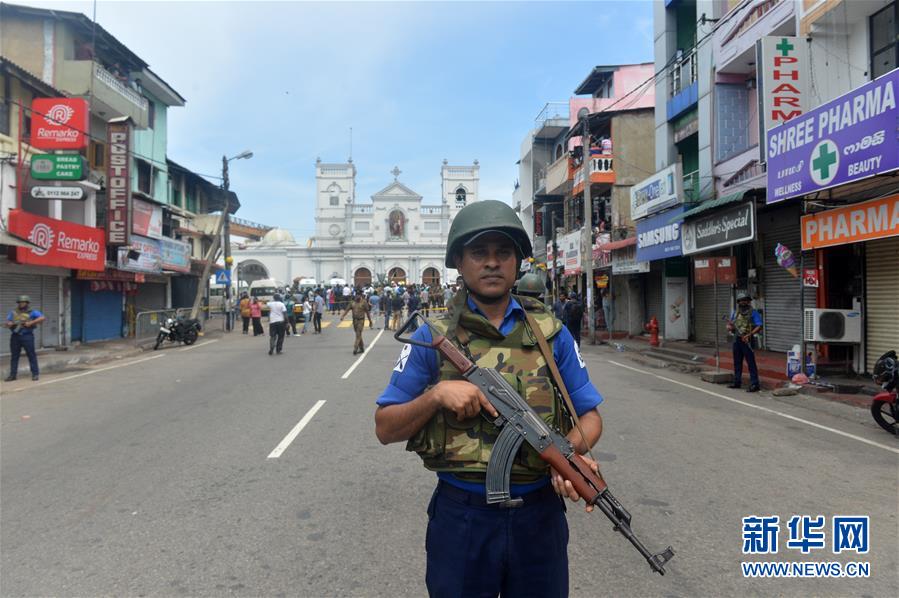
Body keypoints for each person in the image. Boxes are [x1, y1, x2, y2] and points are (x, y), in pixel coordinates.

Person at [375, 200, 604, 597]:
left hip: (539, 517)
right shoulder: (433, 335)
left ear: (517, 262)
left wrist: (566, 454)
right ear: (459, 263)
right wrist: (436, 396)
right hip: (461, 518)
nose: (492, 263)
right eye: (479, 253)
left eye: (503, 252)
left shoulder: (551, 333)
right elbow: (385, 427)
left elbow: (591, 417)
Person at [727, 292, 763, 392]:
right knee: (737, 362)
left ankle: (755, 384)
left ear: (748, 301)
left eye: (745, 300)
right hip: (737, 339)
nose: (744, 302)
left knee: (751, 362)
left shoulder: (753, 312)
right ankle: (737, 381)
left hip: (748, 340)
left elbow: (759, 325)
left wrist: (749, 335)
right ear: (738, 302)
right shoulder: (736, 312)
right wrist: (730, 327)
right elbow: (731, 324)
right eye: (742, 300)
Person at [4, 295, 45, 381]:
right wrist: (9, 324)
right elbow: (8, 321)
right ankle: (13, 375)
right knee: (14, 356)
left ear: (27, 303)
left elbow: (42, 317)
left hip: (27, 336)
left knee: (31, 355)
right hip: (15, 336)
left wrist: (31, 322)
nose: (21, 304)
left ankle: (35, 374)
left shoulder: (32, 312)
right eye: (20, 302)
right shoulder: (13, 312)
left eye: (23, 302)